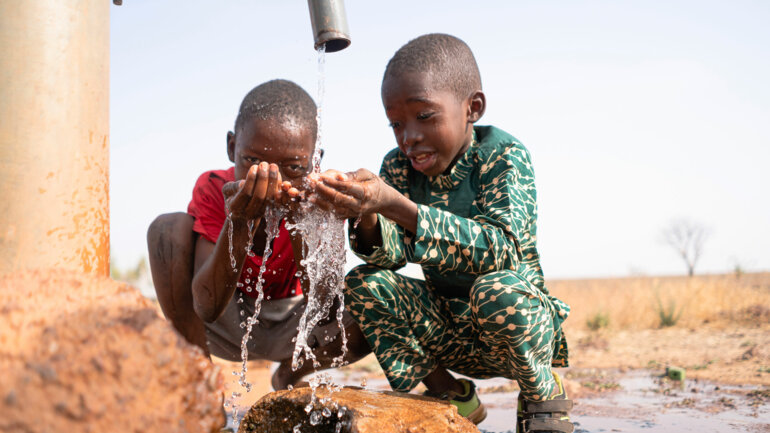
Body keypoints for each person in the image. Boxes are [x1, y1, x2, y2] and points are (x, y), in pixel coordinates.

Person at [308, 34, 573, 432]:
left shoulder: (502, 156)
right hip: (449, 330)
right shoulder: (398, 167)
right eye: (396, 123)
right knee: (365, 283)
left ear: (473, 108)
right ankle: (451, 394)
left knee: (496, 290)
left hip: (516, 328)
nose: (408, 136)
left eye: (425, 117)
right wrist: (365, 211)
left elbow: (501, 250)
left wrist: (396, 204)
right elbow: (392, 254)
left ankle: (540, 396)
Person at [147, 79, 370, 391]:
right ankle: (200, 381)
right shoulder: (215, 188)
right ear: (231, 147)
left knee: (373, 307)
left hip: (297, 327)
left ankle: (289, 376)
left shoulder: (322, 197)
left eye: (293, 166)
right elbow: (206, 307)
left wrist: (300, 223)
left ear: (313, 160)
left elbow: (325, 315)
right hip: (226, 321)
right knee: (166, 230)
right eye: (253, 161)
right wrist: (239, 223)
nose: (272, 180)